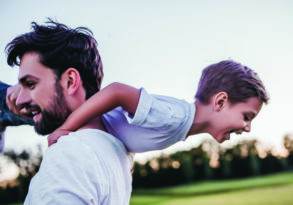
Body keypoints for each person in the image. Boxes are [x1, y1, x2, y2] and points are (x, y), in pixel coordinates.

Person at [5, 20, 133, 205]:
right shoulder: (116, 151)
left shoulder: (69, 155)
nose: (19, 101)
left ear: (70, 81)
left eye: (31, 84)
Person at [45, 59, 269, 147]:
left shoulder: (181, 123)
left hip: (87, 123)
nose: (247, 127)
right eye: (246, 116)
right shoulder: (174, 117)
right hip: (78, 116)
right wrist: (66, 127)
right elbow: (117, 92)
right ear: (220, 101)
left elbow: (130, 131)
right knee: (22, 104)